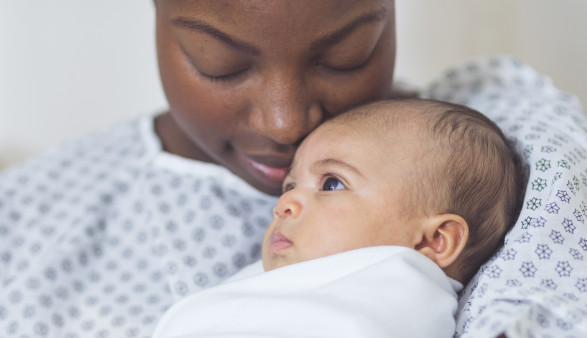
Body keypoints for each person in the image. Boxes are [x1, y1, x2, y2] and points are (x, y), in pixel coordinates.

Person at [1, 1, 586, 337]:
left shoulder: (497, 133)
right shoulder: (27, 223)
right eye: (221, 64)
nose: (285, 124)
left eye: (345, 54)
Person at [152, 98, 528, 338]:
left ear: (433, 241)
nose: (285, 204)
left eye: (331, 184)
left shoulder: (399, 295)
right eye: (289, 186)